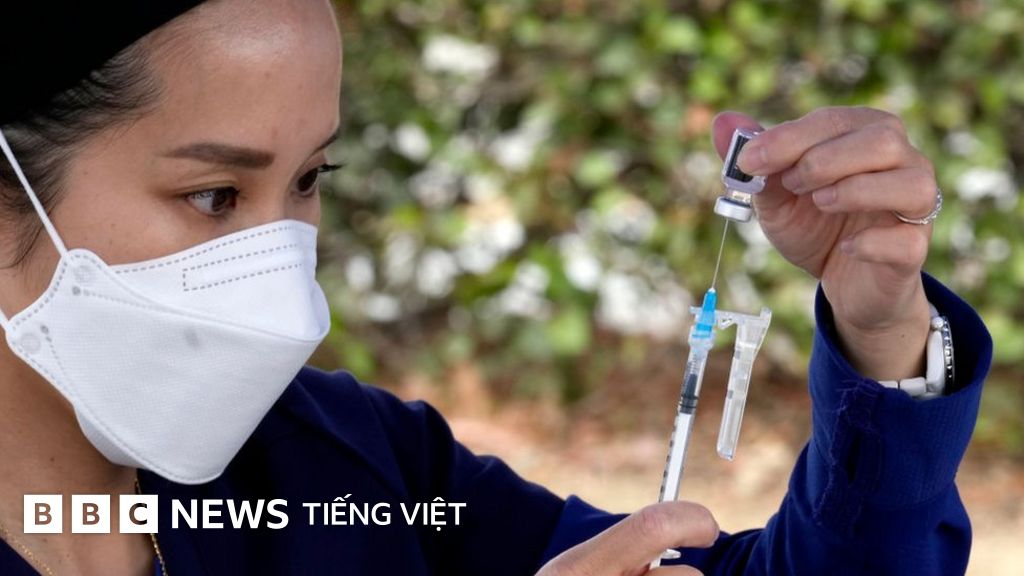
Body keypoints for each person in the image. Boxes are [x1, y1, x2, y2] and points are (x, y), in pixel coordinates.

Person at [0, 1, 990, 575]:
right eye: (215, 194)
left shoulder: (340, 470)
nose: (279, 269)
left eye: (307, 180)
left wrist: (883, 339)